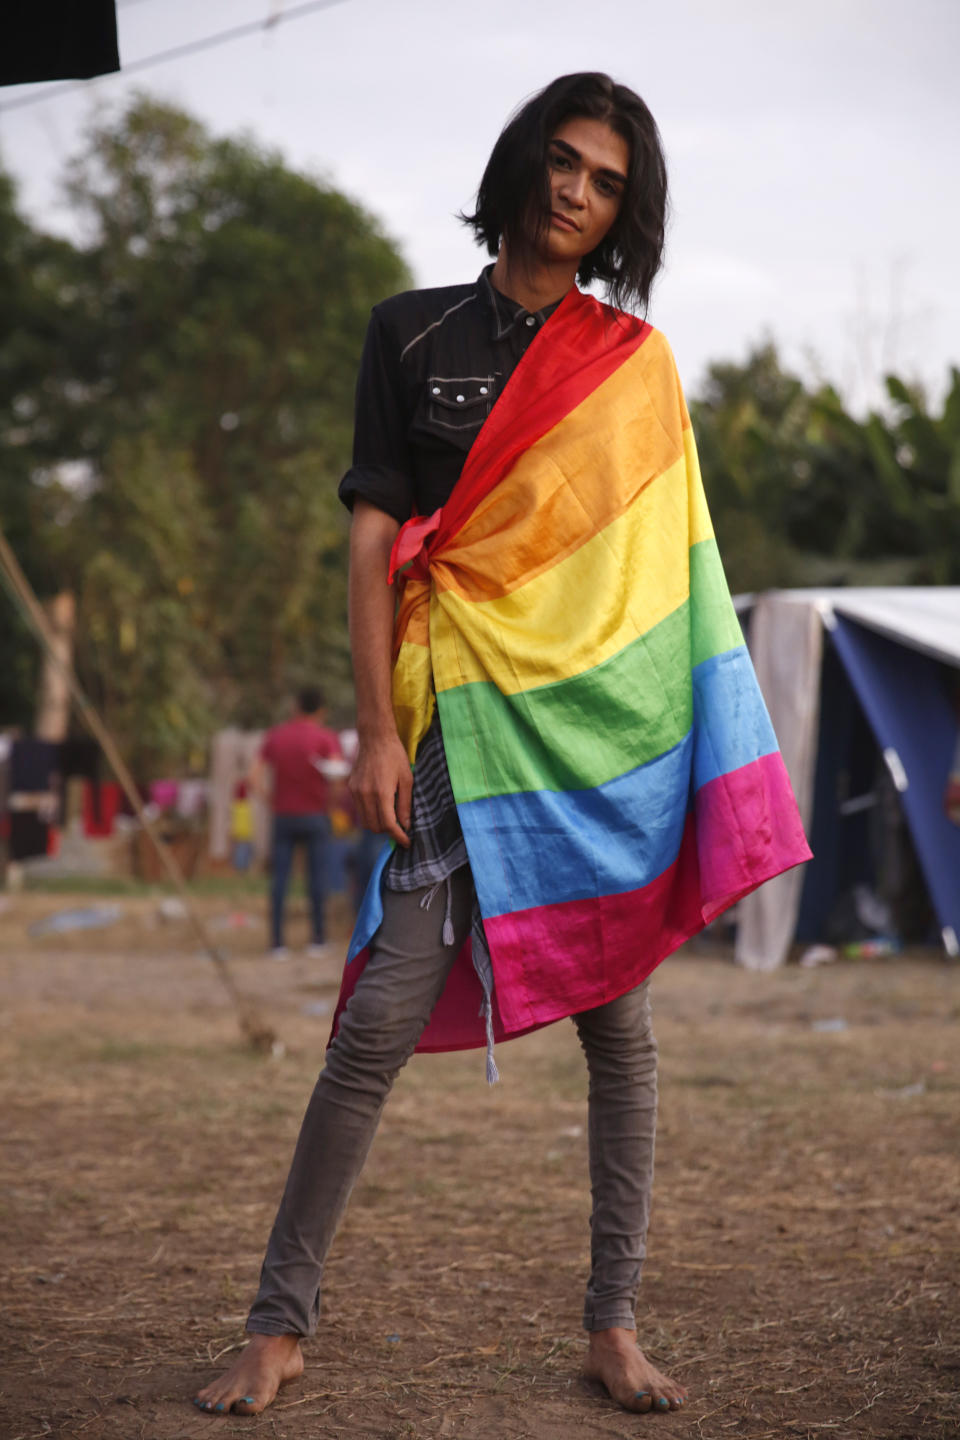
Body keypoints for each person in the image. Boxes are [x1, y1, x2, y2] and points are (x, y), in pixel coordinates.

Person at [194, 73, 810, 1419]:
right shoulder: (408, 335)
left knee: (622, 1037)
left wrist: (675, 749)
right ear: (524, 159)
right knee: (371, 1026)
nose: (572, 186)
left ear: (617, 214)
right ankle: (277, 1326)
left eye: (602, 178)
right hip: (447, 740)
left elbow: (666, 581)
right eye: (561, 157)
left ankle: (611, 1324)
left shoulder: (631, 368)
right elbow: (373, 539)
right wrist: (370, 728)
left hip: (595, 761)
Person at [251, 687, 343, 960]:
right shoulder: (326, 738)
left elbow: (253, 777)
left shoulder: (276, 736)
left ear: (295, 706)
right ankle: (317, 940)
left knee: (279, 880)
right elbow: (337, 778)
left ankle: (277, 943)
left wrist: (270, 800)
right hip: (315, 816)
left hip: (283, 817)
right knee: (317, 879)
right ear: (321, 711)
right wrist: (330, 803)